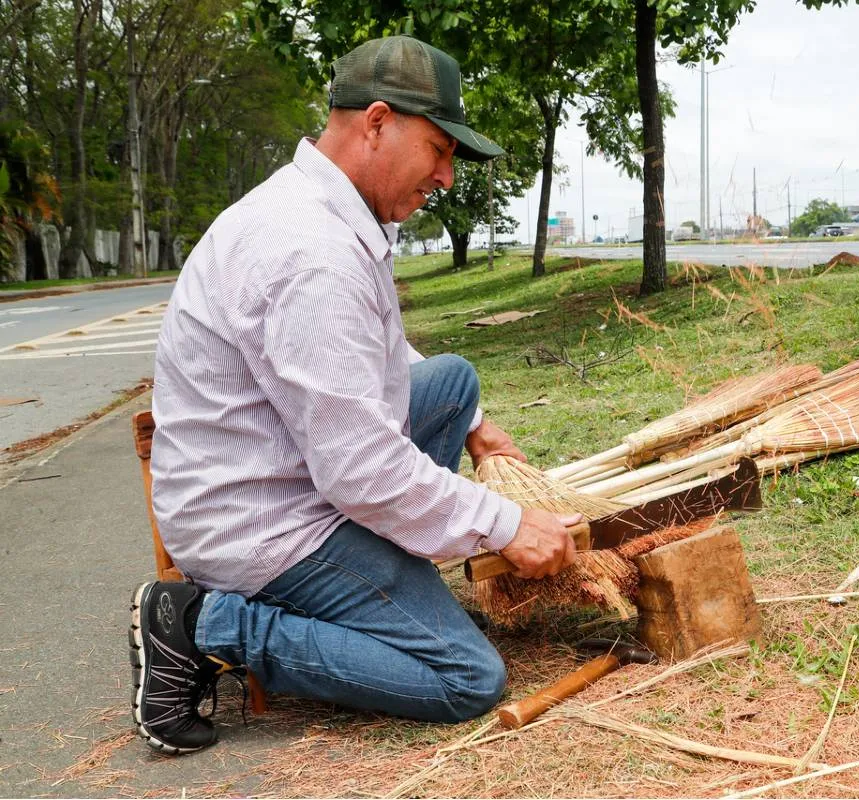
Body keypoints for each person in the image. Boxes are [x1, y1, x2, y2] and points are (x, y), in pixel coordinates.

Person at [129, 35, 580, 755]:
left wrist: (477, 424)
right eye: (438, 149)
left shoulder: (326, 210)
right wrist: (504, 524)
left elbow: (366, 350)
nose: (446, 177)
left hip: (287, 465)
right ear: (376, 122)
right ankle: (202, 625)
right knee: (466, 676)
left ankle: (389, 578)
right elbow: (359, 470)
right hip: (266, 523)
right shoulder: (309, 252)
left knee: (454, 383)